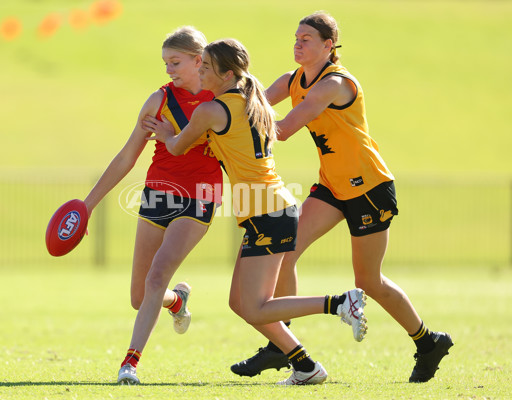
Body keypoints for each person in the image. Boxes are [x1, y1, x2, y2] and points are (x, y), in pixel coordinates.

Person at [230, 12, 453, 383]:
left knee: (369, 281)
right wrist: (220, 111)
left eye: (306, 39)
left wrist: (241, 107)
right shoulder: (292, 79)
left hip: (369, 188)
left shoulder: (334, 84)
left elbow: (281, 129)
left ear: (328, 46)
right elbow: (247, 111)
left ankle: (428, 341)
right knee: (286, 250)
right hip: (332, 186)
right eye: (296, 38)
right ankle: (280, 345)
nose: (297, 43)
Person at [143, 38, 367, 386]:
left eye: (206, 68)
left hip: (267, 212)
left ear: (227, 73)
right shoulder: (252, 95)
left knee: (255, 306)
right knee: (241, 303)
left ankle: (339, 303)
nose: (199, 71)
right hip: (271, 209)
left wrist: (167, 133)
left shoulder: (211, 110)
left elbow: (177, 146)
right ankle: (306, 367)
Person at [83, 26, 223, 385]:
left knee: (157, 274)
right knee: (139, 295)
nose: (168, 70)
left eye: (175, 62)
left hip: (201, 195)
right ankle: (177, 301)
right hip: (158, 194)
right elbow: (128, 155)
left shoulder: (222, 95)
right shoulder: (158, 101)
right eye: (165, 63)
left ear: (198, 60)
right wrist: (87, 206)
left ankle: (129, 363)